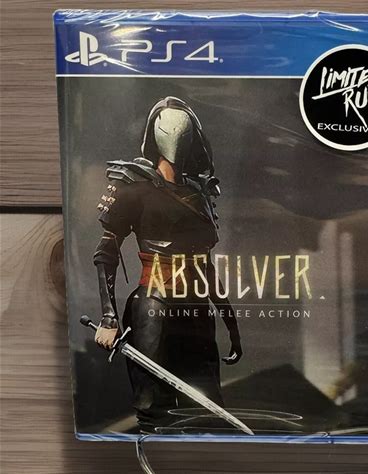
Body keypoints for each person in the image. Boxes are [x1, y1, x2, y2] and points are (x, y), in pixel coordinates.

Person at [92, 96, 242, 432]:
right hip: (153, 309)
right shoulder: (133, 187)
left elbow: (204, 266)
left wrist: (230, 322)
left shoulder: (200, 195)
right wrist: (108, 318)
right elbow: (107, 251)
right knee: (154, 408)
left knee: (205, 409)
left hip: (196, 311)